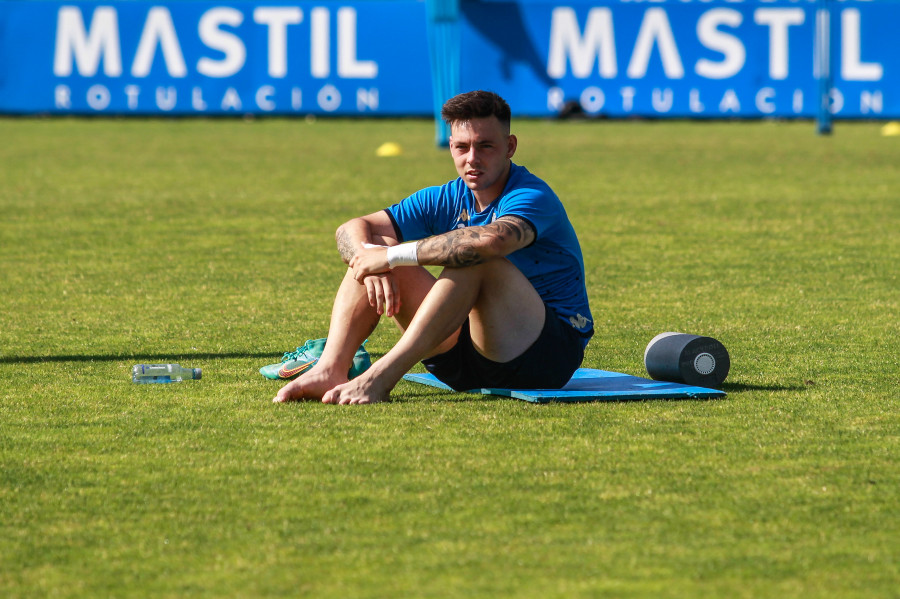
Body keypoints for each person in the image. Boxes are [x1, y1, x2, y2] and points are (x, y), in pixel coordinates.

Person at [273, 90, 593, 405]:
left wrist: (389, 256)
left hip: (543, 355)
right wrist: (371, 259)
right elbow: (351, 228)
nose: (472, 159)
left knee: (475, 256)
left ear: (509, 147)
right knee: (373, 244)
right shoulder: (446, 197)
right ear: (450, 146)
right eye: (462, 147)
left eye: (486, 146)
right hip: (462, 358)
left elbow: (491, 241)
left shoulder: (531, 195)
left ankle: (381, 377)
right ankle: (330, 368)